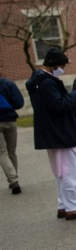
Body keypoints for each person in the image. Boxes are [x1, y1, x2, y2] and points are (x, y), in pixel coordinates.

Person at [26, 48, 76, 220]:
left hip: (52, 133)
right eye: (62, 65)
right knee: (70, 171)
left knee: (60, 171)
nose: (63, 68)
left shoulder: (38, 81)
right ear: (53, 66)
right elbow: (59, 105)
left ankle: (64, 205)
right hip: (62, 133)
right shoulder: (47, 82)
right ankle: (73, 207)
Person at [0, 64, 25, 195]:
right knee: (11, 151)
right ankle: (14, 179)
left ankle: (13, 180)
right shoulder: (8, 84)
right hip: (10, 120)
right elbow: (19, 102)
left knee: (1, 153)